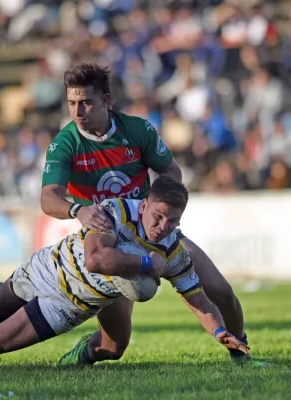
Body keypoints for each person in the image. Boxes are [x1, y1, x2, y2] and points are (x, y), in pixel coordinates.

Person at [39, 61, 264, 366]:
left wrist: (158, 208)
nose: (77, 112)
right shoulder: (66, 143)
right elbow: (48, 198)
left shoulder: (137, 130)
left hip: (154, 232)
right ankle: (85, 352)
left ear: (107, 101)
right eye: (72, 103)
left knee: (220, 291)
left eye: (86, 103)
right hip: (107, 244)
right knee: (113, 347)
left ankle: (241, 355)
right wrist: (78, 210)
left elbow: (171, 170)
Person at [0, 177, 248, 364]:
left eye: (172, 222)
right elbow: (96, 260)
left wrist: (220, 331)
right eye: (158, 216)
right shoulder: (113, 212)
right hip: (49, 267)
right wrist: (146, 264)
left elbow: (201, 304)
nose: (162, 227)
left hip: (70, 306)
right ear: (144, 206)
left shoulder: (174, 254)